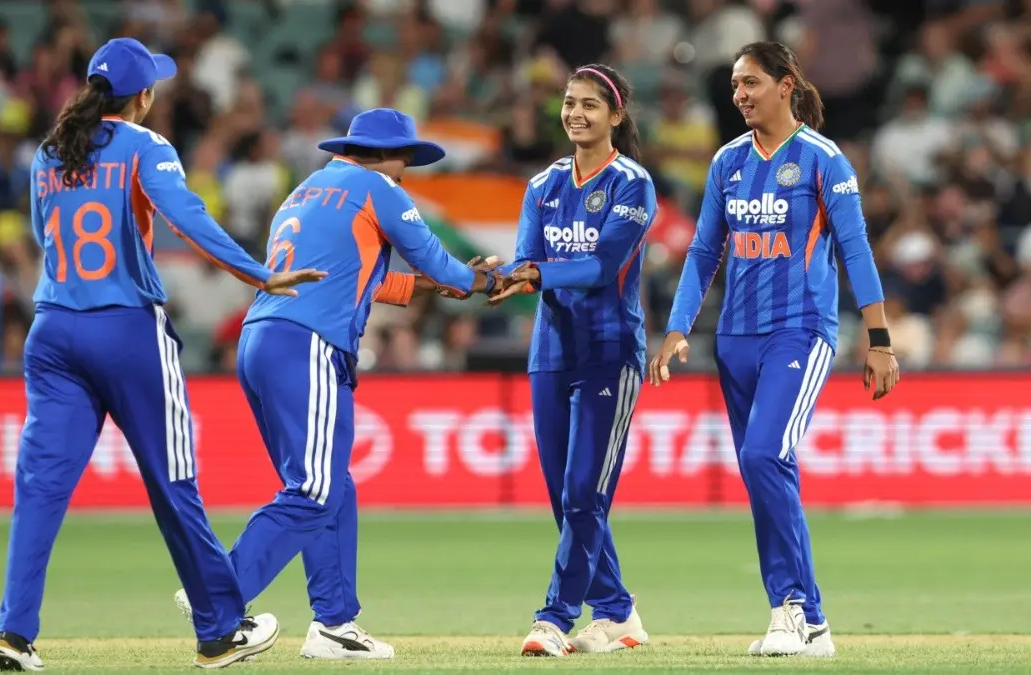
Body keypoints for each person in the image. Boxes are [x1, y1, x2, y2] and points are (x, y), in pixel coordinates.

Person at [0, 38, 324, 672]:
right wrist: (260, 275)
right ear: (143, 97)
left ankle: (14, 632)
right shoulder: (147, 147)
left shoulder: (49, 151)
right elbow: (189, 219)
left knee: (39, 490)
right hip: (127, 333)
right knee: (174, 485)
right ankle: (220, 630)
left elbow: (42, 235)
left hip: (54, 330)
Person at [173, 107, 503, 660]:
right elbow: (440, 264)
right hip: (309, 343)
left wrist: (434, 287)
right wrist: (482, 279)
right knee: (314, 489)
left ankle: (334, 624)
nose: (408, 170)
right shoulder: (378, 187)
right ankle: (218, 595)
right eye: (407, 158)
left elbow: (364, 277)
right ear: (384, 154)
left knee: (328, 487)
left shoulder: (308, 190)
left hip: (265, 340)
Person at [648, 41, 900, 658]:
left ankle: (797, 610)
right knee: (763, 473)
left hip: (800, 329)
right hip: (733, 337)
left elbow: (856, 251)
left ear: (786, 85)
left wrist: (880, 338)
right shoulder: (728, 161)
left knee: (765, 456)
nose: (739, 94)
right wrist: (679, 325)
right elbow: (705, 250)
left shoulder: (822, 159)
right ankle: (801, 617)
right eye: (735, 84)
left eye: (751, 83)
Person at [487, 63, 657, 658]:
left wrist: (534, 271)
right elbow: (527, 260)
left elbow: (603, 267)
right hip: (551, 352)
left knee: (585, 491)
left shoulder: (633, 184)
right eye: (568, 102)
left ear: (616, 116)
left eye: (589, 104)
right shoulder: (543, 185)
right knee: (567, 495)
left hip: (609, 353)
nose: (575, 113)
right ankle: (617, 612)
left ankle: (554, 618)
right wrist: (505, 275)